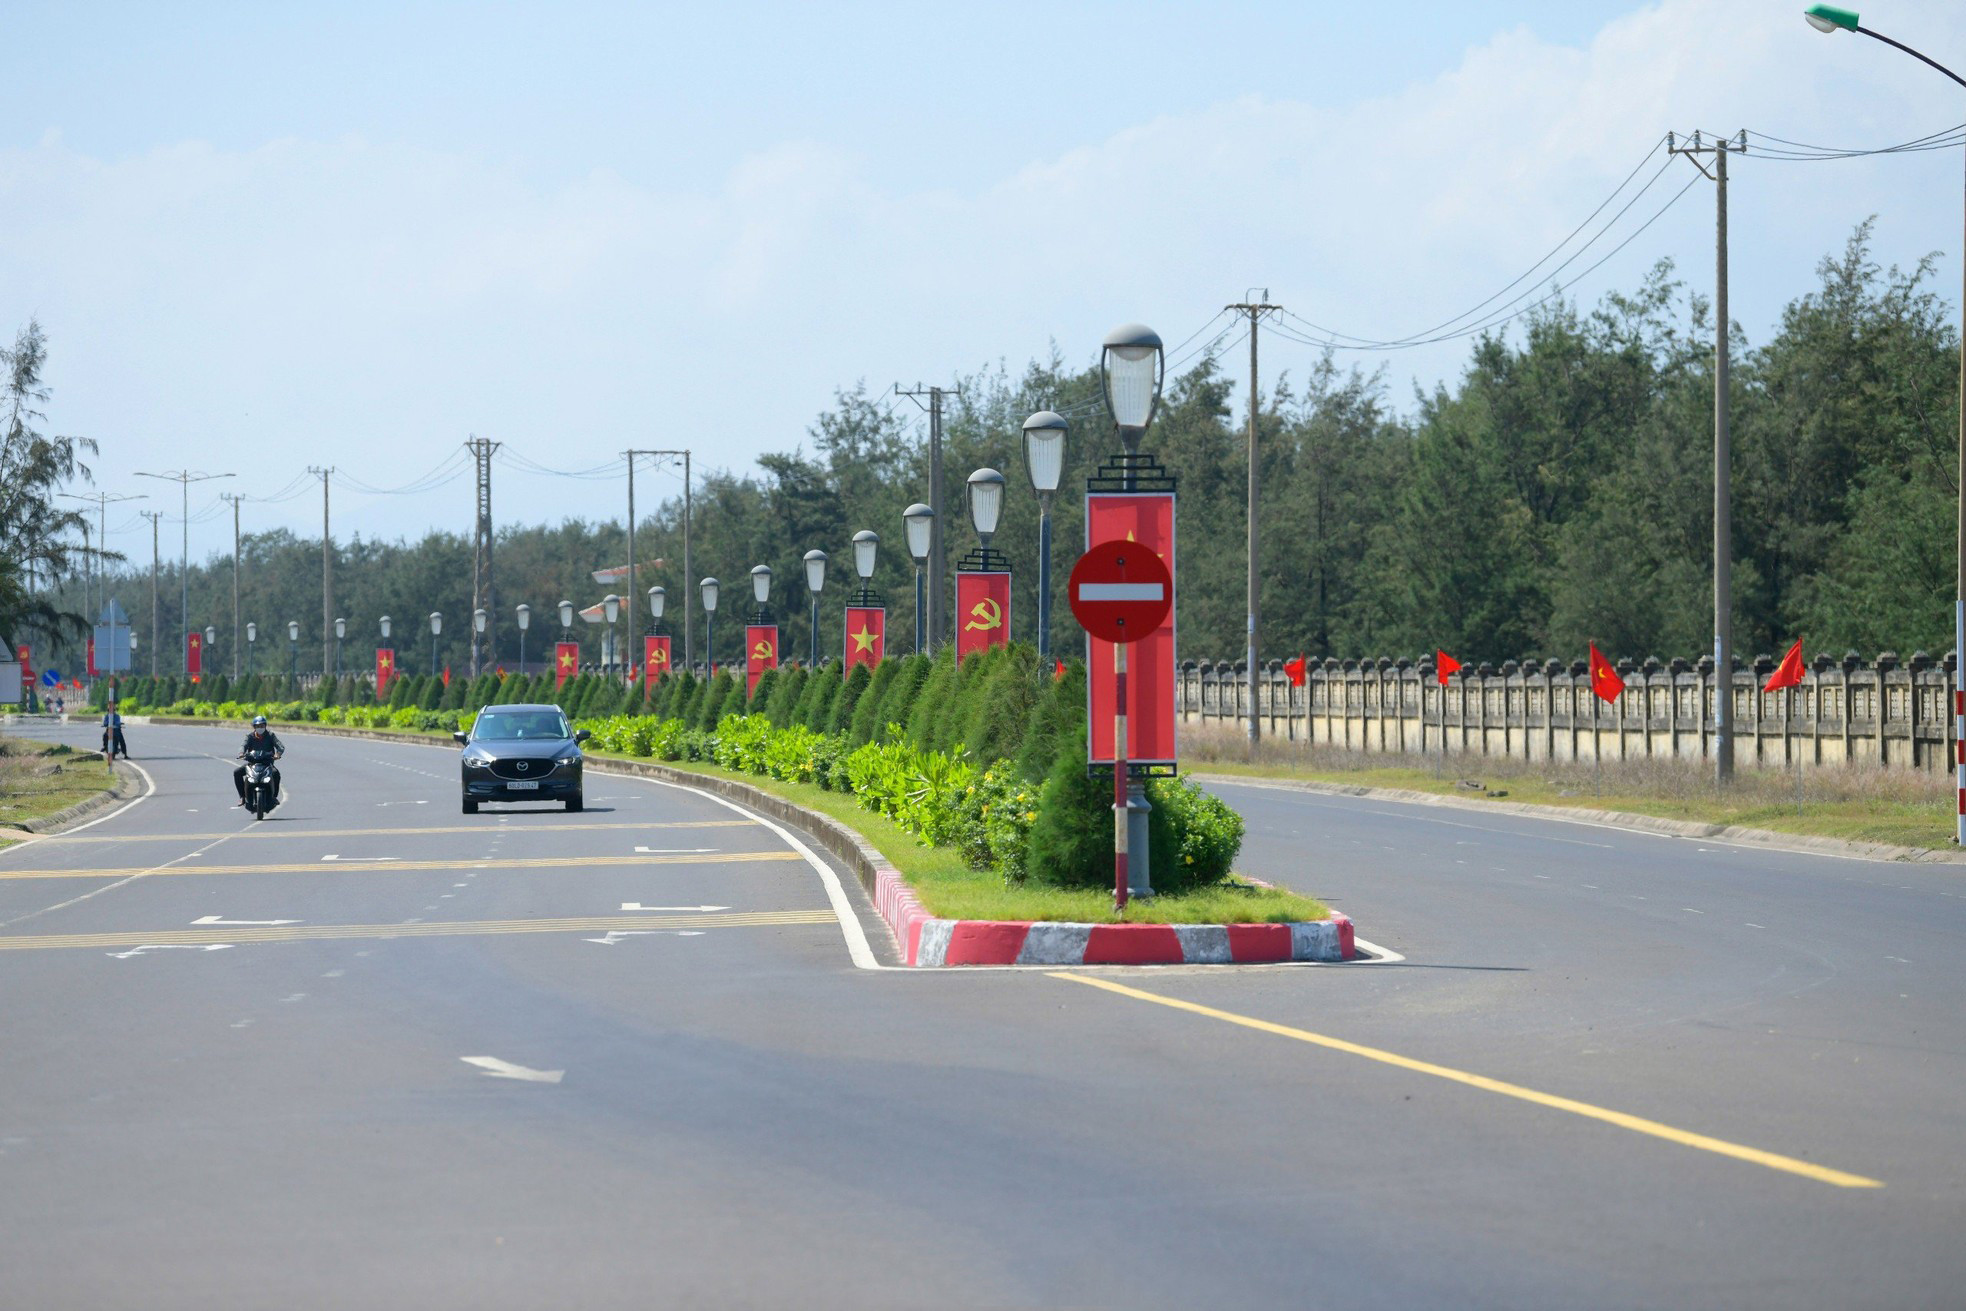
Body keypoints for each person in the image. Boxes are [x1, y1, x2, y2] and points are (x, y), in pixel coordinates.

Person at [233, 715, 284, 807]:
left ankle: (274, 797)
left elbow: (280, 746)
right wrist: (241, 753)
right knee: (237, 772)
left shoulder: (270, 735)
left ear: (265, 726)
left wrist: (278, 754)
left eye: (262, 726)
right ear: (254, 727)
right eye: (258, 726)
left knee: (276, 774)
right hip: (252, 764)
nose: (260, 728)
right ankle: (242, 797)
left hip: (267, 764)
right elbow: (243, 746)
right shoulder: (249, 736)